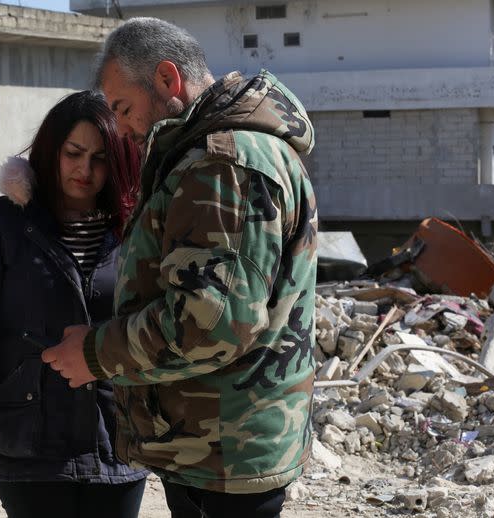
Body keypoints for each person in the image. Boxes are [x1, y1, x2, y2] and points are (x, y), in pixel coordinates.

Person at [42, 17, 318, 518]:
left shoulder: (222, 164)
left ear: (168, 80)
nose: (121, 128)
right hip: (221, 446)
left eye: (123, 108)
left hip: (224, 454)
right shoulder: (216, 153)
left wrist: (94, 353)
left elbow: (209, 324)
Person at [0, 90, 148, 518]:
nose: (84, 169)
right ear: (51, 150)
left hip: (116, 434)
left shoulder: (136, 228)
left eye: (99, 158)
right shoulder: (2, 222)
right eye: (73, 152)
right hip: (28, 435)